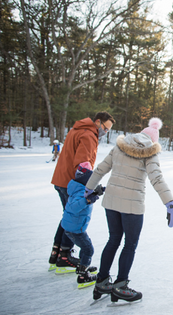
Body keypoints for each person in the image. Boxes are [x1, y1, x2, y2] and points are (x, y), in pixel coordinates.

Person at [86, 117, 173, 304]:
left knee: (113, 240)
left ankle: (102, 282)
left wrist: (89, 187)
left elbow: (102, 168)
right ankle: (120, 286)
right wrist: (170, 203)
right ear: (154, 140)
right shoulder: (150, 151)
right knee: (130, 244)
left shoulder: (120, 145)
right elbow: (156, 179)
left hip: (111, 202)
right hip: (133, 206)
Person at [49, 112, 115, 272]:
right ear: (98, 122)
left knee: (67, 215)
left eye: (108, 130)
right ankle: (64, 256)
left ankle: (56, 253)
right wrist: (91, 186)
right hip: (71, 183)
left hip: (61, 179)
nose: (105, 132)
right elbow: (82, 165)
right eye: (105, 128)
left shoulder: (77, 129)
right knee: (73, 217)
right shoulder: (89, 135)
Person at [61, 162, 105, 288]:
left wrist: (96, 193)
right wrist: (88, 200)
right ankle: (83, 275)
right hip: (75, 229)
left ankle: (82, 266)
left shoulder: (77, 188)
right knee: (88, 249)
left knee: (84, 248)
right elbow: (75, 207)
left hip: (72, 226)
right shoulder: (81, 193)